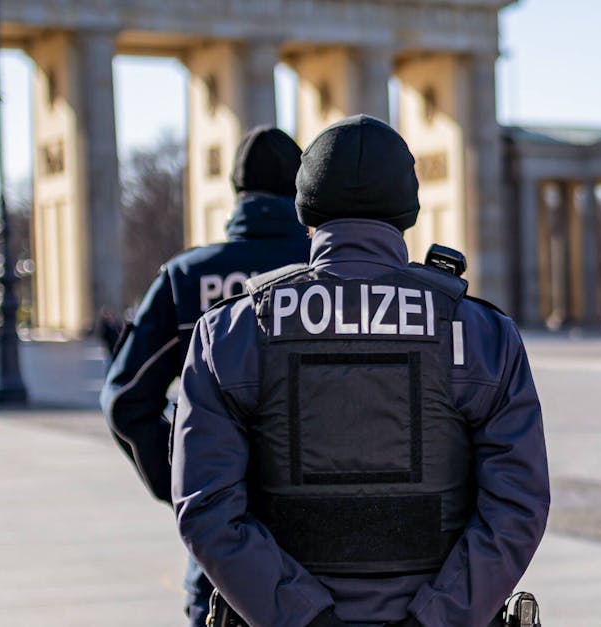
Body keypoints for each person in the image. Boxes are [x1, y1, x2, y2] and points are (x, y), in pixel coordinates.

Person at [173, 115, 549, 627]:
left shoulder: (232, 331)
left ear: (305, 207)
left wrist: (304, 618)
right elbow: (518, 505)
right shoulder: (480, 331)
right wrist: (435, 619)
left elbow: (206, 508)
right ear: (407, 210)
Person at [101, 126, 312, 624]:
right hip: (331, 539)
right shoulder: (328, 273)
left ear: (238, 194)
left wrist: (179, 483)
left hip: (225, 550)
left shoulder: (187, 276)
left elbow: (126, 398)